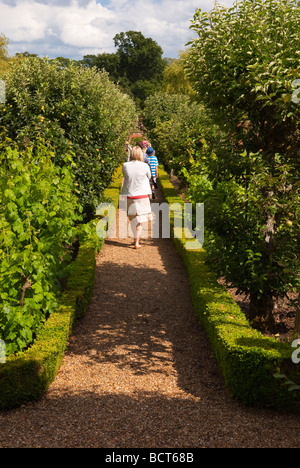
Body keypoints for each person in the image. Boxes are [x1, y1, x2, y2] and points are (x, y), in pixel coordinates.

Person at [121, 146, 153, 249]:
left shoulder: (125, 165)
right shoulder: (144, 166)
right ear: (140, 154)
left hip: (129, 196)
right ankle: (136, 242)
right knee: (140, 220)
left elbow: (126, 176)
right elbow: (149, 177)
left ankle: (135, 239)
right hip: (142, 196)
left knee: (133, 219)